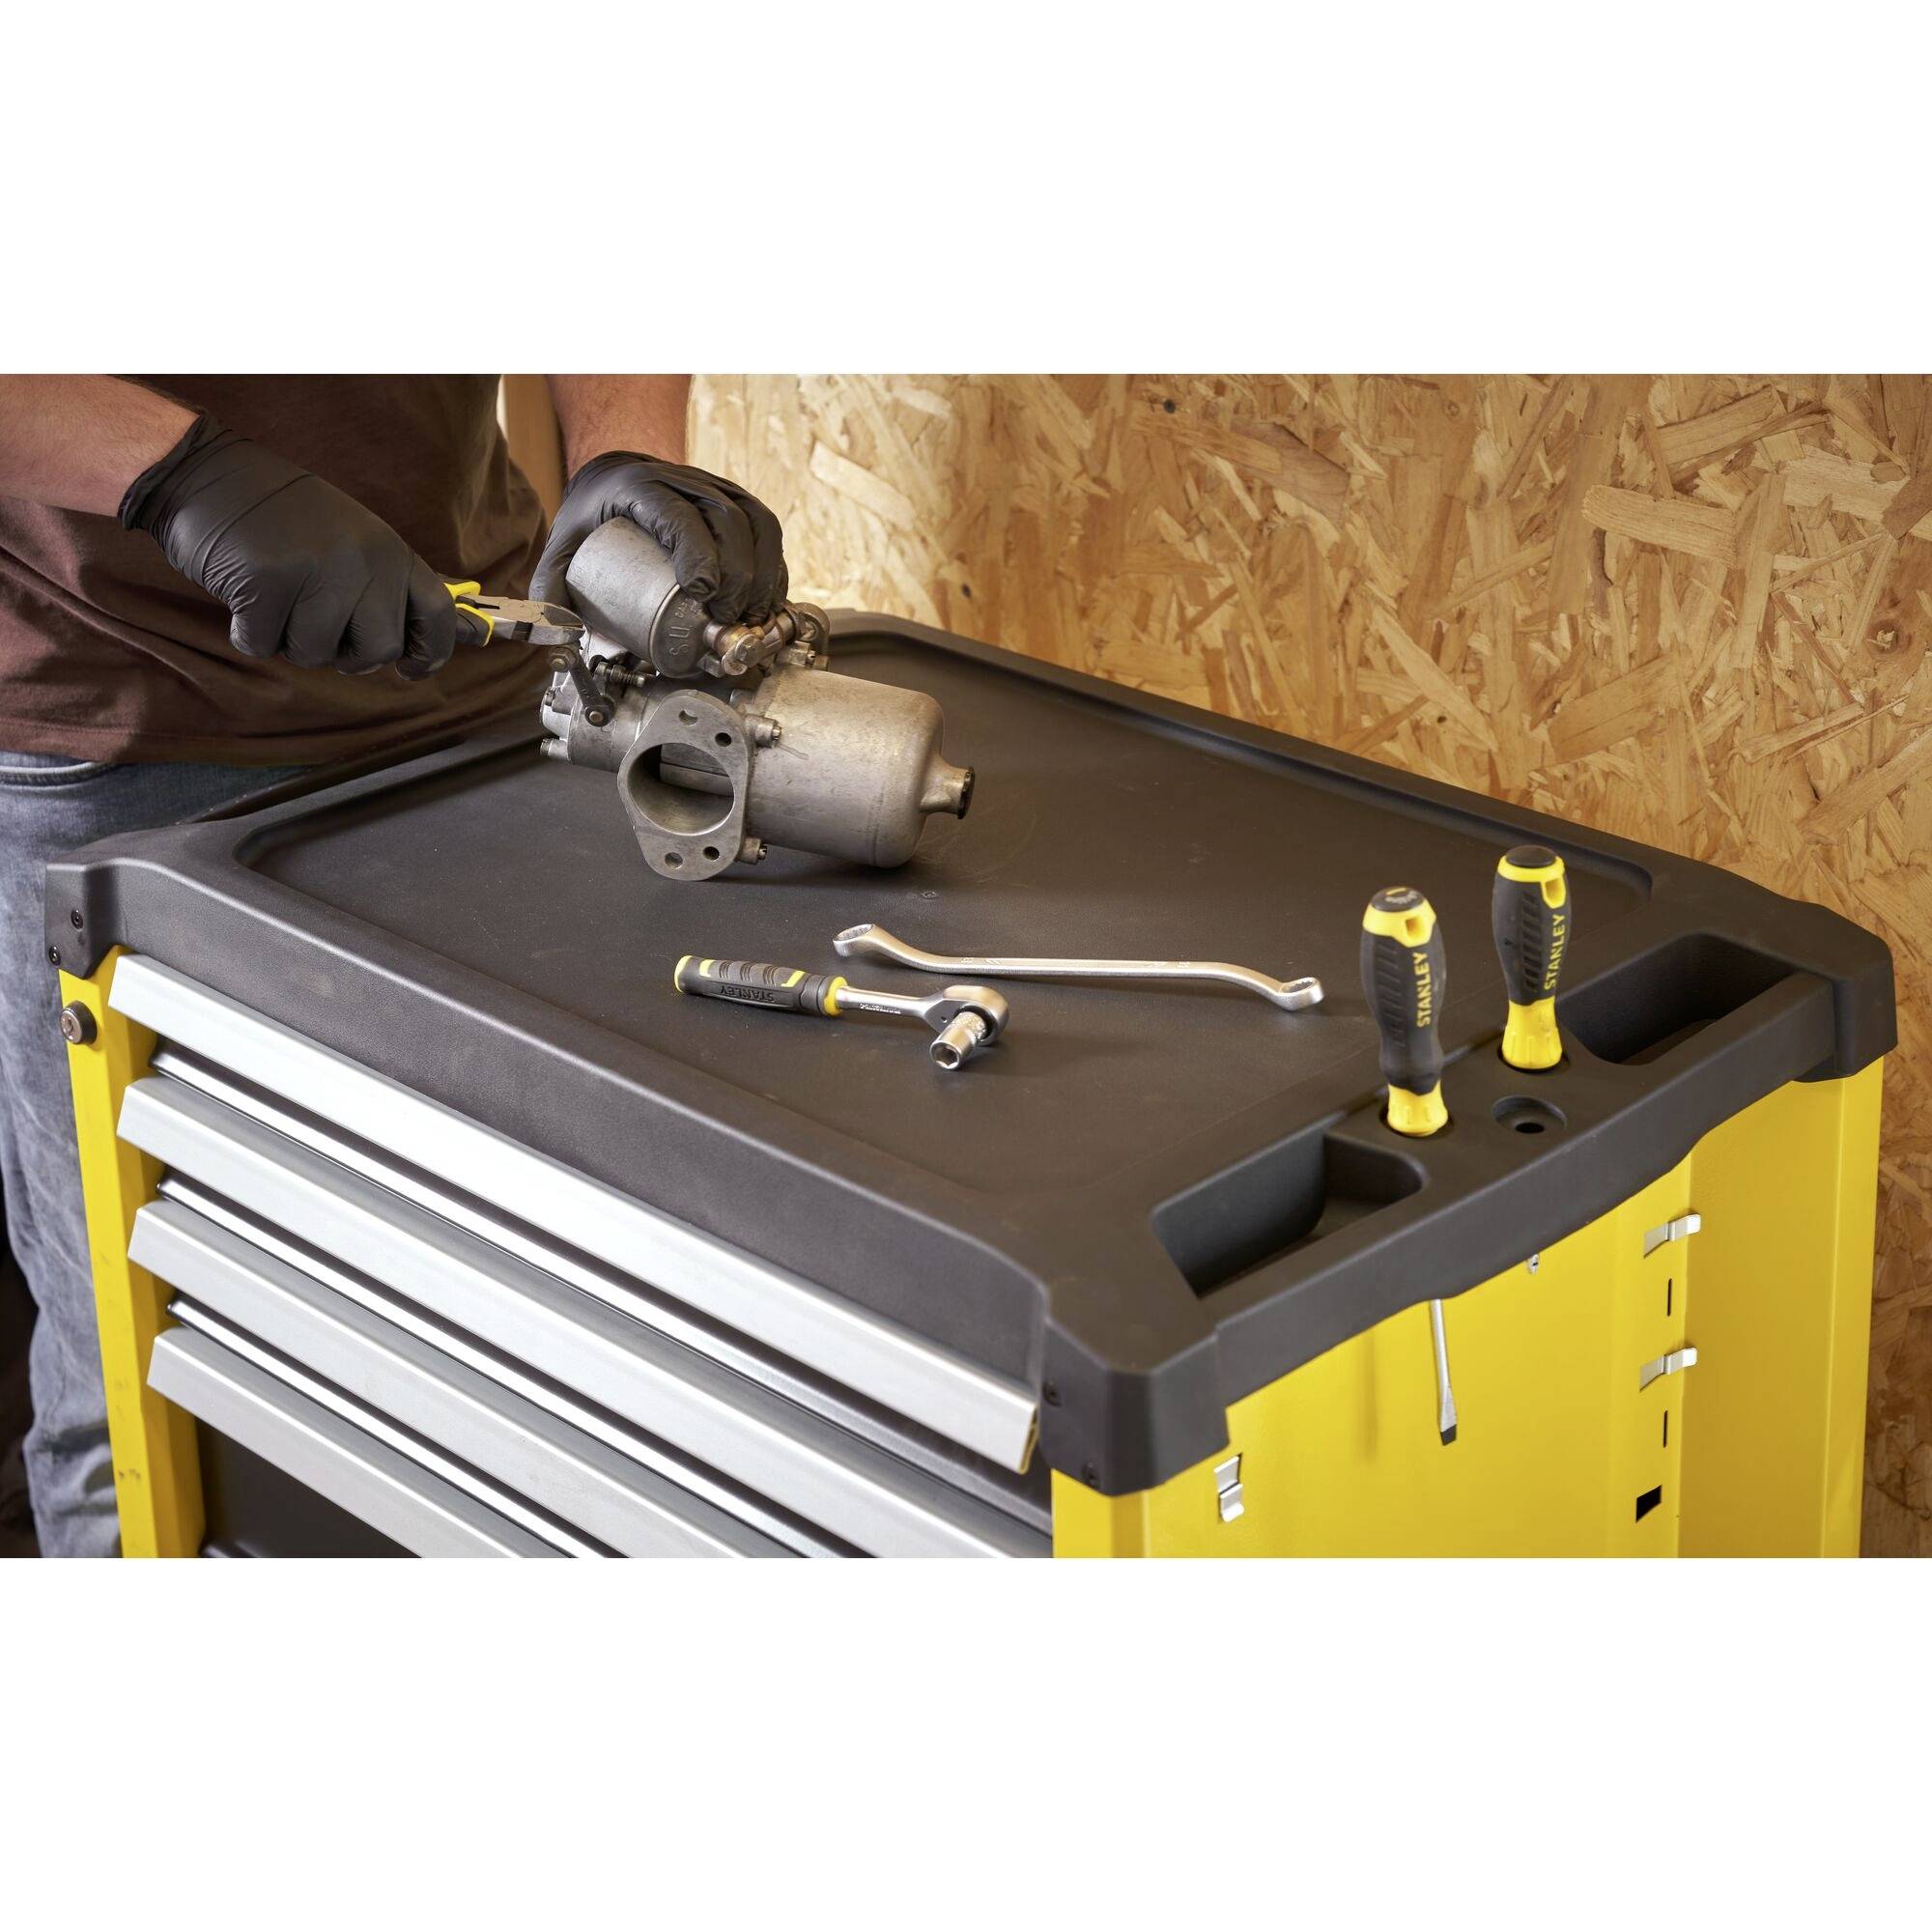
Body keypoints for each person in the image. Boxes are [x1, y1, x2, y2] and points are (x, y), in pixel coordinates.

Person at [0, 375, 786, 1555]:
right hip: (125, 731)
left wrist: (627, 468)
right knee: (153, 1385)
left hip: (472, 691)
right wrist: (175, 473)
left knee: (500, 1333)